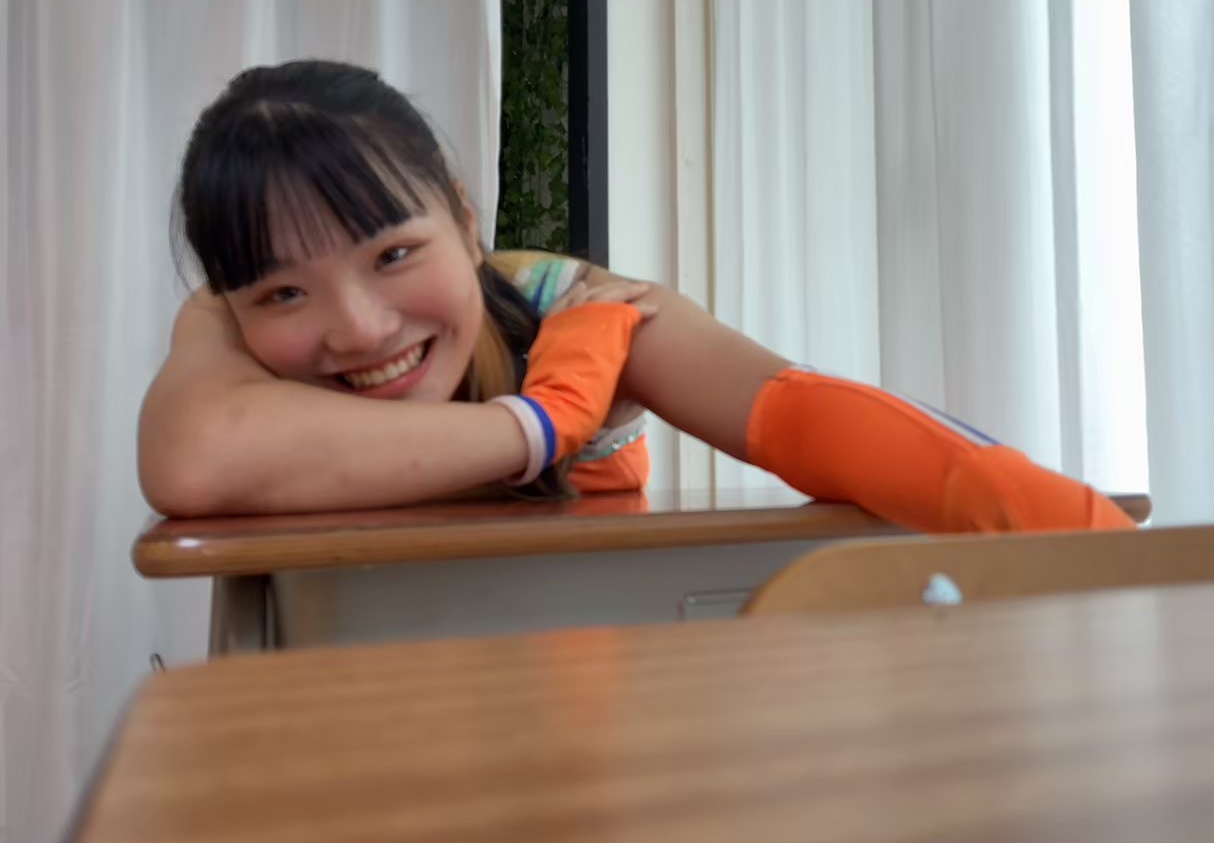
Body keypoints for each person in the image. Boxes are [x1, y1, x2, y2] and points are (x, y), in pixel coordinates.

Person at [139, 60, 1132, 534]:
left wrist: (1090, 545)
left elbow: (800, 414)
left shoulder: (573, 309)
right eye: (284, 292)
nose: (358, 327)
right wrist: (541, 425)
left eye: (394, 253)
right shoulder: (223, 328)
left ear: (467, 220)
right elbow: (191, 458)